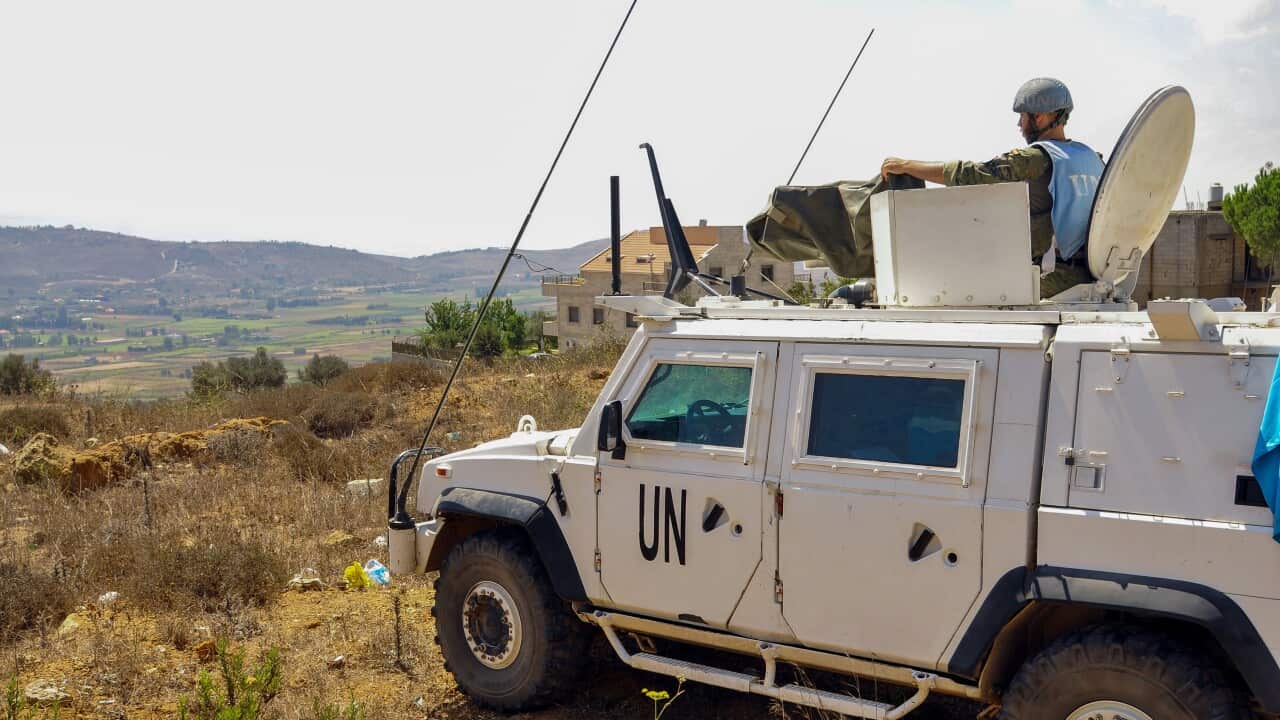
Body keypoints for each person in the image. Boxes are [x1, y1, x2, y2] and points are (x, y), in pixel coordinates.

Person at [879, 77, 1104, 297]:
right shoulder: (1092, 157)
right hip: (1095, 273)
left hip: (1057, 276)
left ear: (1041, 117)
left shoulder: (1037, 158)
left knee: (966, 295)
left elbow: (972, 174)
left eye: (1023, 117)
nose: (1019, 125)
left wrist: (907, 166)